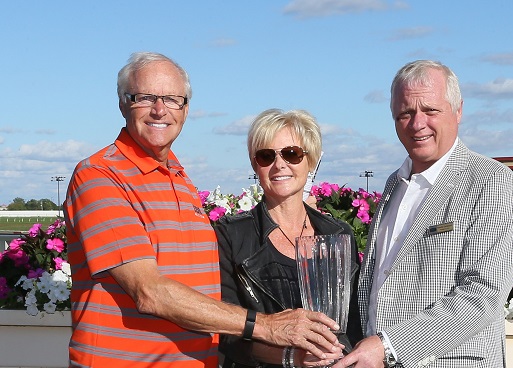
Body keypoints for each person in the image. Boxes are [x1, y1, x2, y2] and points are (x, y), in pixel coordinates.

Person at [63, 52, 342, 368]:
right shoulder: (100, 175)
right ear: (123, 103)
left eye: (172, 99)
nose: (160, 110)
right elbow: (149, 292)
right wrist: (267, 326)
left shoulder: (180, 179)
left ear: (185, 110)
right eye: (146, 98)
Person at [333, 60, 513, 368]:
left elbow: (484, 295)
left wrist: (389, 347)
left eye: (431, 110)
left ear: (458, 111)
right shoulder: (394, 183)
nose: (417, 123)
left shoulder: (491, 181)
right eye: (405, 113)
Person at [215, 109, 363, 368]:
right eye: (266, 156)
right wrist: (292, 358)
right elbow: (227, 332)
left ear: (311, 161)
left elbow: (354, 321)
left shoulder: (339, 234)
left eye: (292, 154)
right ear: (255, 165)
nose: (279, 165)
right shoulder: (231, 236)